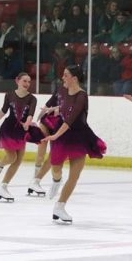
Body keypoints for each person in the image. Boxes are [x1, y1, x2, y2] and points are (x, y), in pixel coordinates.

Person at [40, 65, 107, 223]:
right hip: (61, 133)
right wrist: (53, 109)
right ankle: (57, 180)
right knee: (55, 166)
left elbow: (70, 119)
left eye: (66, 75)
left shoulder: (82, 96)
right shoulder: (62, 90)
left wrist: (55, 135)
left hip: (78, 135)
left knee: (74, 176)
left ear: (74, 78)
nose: (62, 78)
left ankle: (60, 206)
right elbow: (64, 106)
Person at [0, 72, 39, 202]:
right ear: (17, 81)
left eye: (29, 81)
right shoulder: (9, 95)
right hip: (9, 128)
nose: (27, 84)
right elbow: (4, 109)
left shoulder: (32, 99)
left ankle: (3, 187)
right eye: (24, 81)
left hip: (21, 130)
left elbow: (30, 113)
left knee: (18, 161)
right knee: (11, 157)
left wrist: (27, 123)